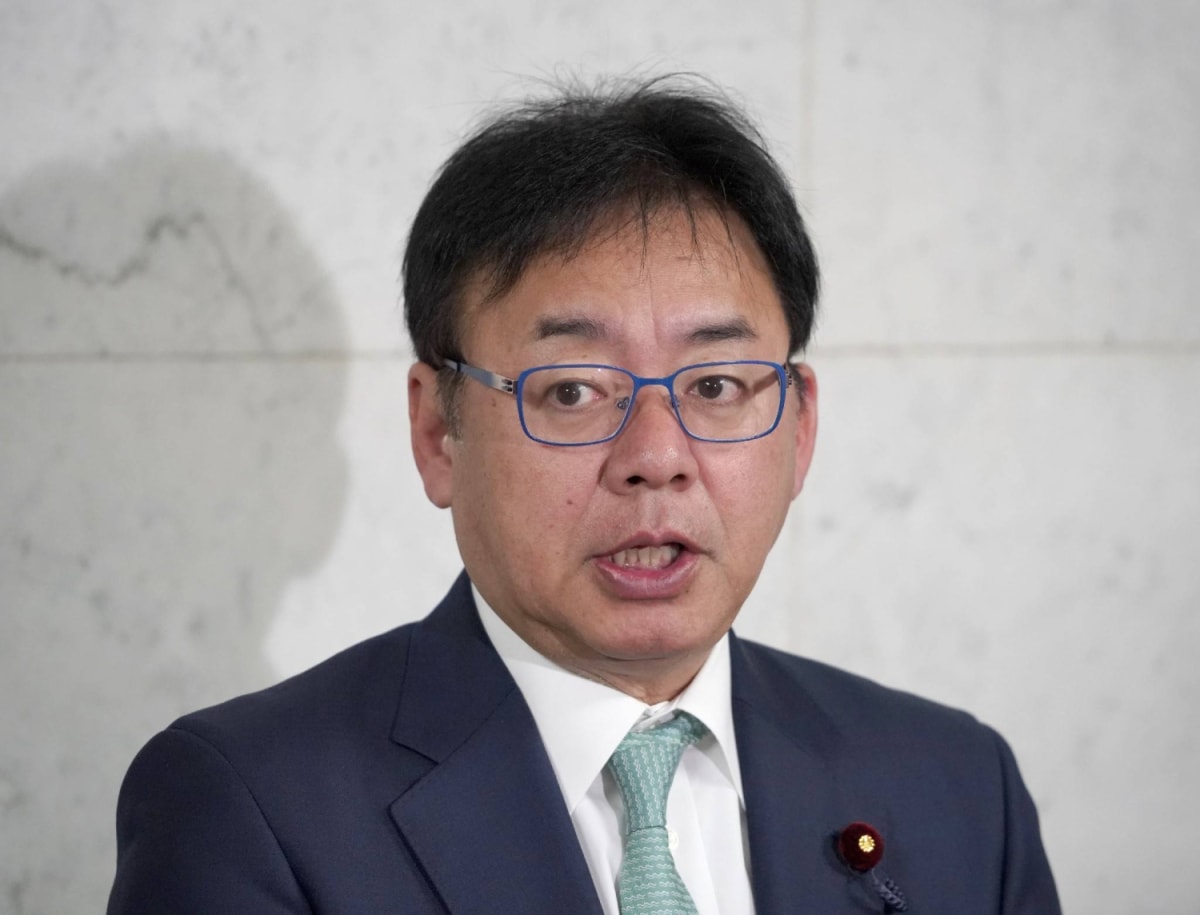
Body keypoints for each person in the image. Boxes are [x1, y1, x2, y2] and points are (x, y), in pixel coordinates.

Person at [108, 75, 1061, 914]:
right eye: (571, 391)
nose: (658, 457)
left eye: (717, 386)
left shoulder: (957, 788)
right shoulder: (249, 807)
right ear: (439, 431)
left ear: (799, 427)